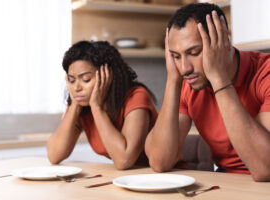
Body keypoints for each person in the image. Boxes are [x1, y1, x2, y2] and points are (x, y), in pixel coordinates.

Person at [145, 3, 270, 181]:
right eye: (176, 56)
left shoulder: (265, 73)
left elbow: (264, 168)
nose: (184, 68)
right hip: (230, 183)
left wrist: (219, 78)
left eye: (194, 52)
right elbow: (159, 161)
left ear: (225, 41)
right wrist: (173, 81)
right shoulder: (189, 82)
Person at [47, 41, 157, 170]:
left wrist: (96, 107)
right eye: (71, 80)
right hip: (125, 178)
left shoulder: (136, 97)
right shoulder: (82, 104)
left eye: (86, 79)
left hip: (161, 176)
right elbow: (54, 155)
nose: (77, 87)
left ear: (108, 76)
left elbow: (124, 160)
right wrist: (75, 105)